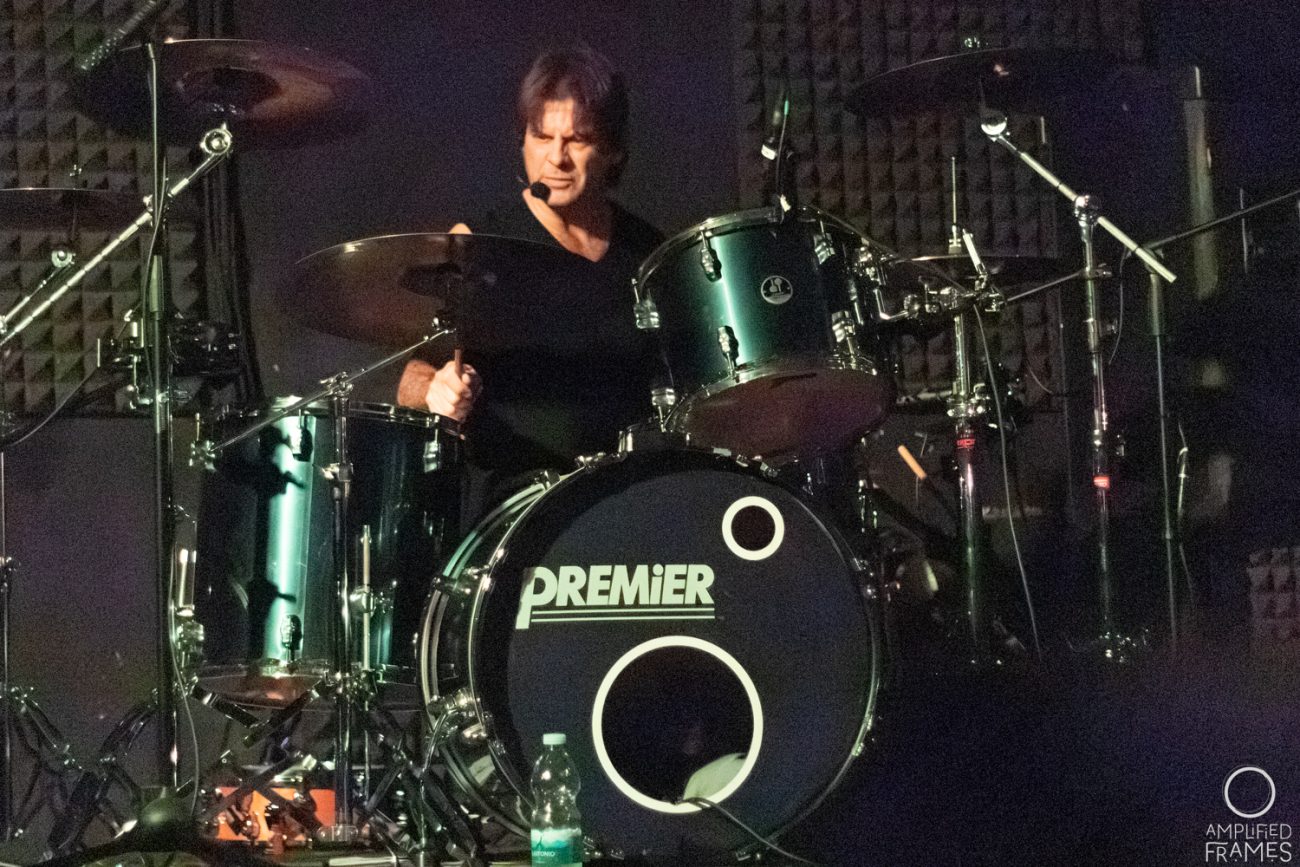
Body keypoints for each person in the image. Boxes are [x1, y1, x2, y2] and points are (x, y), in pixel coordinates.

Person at [396, 45, 664, 524]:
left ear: (613, 151)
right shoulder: (476, 244)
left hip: (631, 503)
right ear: (523, 139)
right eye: (542, 136)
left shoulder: (650, 254)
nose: (556, 158)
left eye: (577, 140)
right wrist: (435, 387)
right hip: (515, 511)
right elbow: (409, 378)